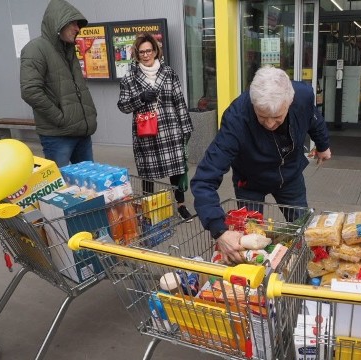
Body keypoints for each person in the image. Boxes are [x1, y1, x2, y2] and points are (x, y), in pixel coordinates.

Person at [191, 66, 331, 264]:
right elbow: (205, 178)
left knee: (302, 230)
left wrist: (323, 145)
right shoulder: (236, 118)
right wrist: (219, 230)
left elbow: (313, 119)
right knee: (249, 242)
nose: (270, 124)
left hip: (290, 175)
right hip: (250, 182)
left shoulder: (304, 95)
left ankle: (302, 269)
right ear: (253, 103)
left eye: (277, 117)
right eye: (262, 117)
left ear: (290, 102)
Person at [117, 33, 194, 220]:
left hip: (170, 129)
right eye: (142, 51)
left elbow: (179, 101)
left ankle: (181, 206)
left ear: (155, 51)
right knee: (147, 173)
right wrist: (140, 99)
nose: (146, 55)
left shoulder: (169, 73)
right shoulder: (129, 77)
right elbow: (123, 106)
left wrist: (186, 129)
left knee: (176, 170)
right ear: (137, 53)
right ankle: (148, 209)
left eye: (149, 50)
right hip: (146, 132)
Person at [20, 0, 97, 167]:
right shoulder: (36, 49)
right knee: (59, 187)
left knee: (88, 185)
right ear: (58, 22)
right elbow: (30, 90)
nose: (78, 29)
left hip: (81, 132)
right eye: (73, 23)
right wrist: (61, 118)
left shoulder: (68, 49)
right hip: (58, 135)